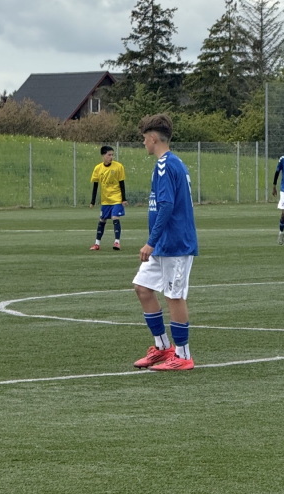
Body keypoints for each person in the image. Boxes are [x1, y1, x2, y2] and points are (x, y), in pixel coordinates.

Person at [132, 113, 198, 371]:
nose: (143, 144)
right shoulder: (171, 164)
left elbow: (167, 205)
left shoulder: (166, 165)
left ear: (152, 138)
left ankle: (183, 356)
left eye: (144, 139)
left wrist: (151, 241)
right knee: (142, 287)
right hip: (164, 245)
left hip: (175, 244)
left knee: (174, 296)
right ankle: (162, 347)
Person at [89, 145, 127, 251]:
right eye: (109, 155)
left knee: (115, 217)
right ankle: (97, 244)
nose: (111, 157)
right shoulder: (98, 168)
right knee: (102, 220)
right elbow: (95, 186)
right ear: (103, 155)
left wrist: (124, 199)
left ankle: (117, 242)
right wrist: (92, 201)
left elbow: (122, 183)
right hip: (105, 200)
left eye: (112, 155)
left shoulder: (118, 167)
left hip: (117, 198)